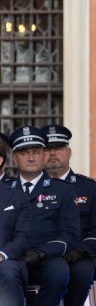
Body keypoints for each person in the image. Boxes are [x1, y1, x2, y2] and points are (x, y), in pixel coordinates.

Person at [7, 125, 80, 306]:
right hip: (12, 259)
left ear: (44, 156)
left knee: (59, 272)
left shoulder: (63, 191)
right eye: (24, 153)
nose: (30, 158)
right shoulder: (5, 190)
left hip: (46, 259)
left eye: (36, 152)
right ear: (15, 159)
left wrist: (41, 253)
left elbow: (69, 234)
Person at [41, 124, 96, 306]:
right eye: (47, 149)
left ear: (69, 152)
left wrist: (80, 251)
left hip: (77, 254)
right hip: (41, 253)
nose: (52, 153)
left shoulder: (90, 187)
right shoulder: (29, 188)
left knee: (81, 275)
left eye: (58, 148)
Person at [0, 131, 31, 306]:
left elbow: (23, 237)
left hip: (6, 260)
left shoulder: (17, 197)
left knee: (7, 271)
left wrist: (2, 255)